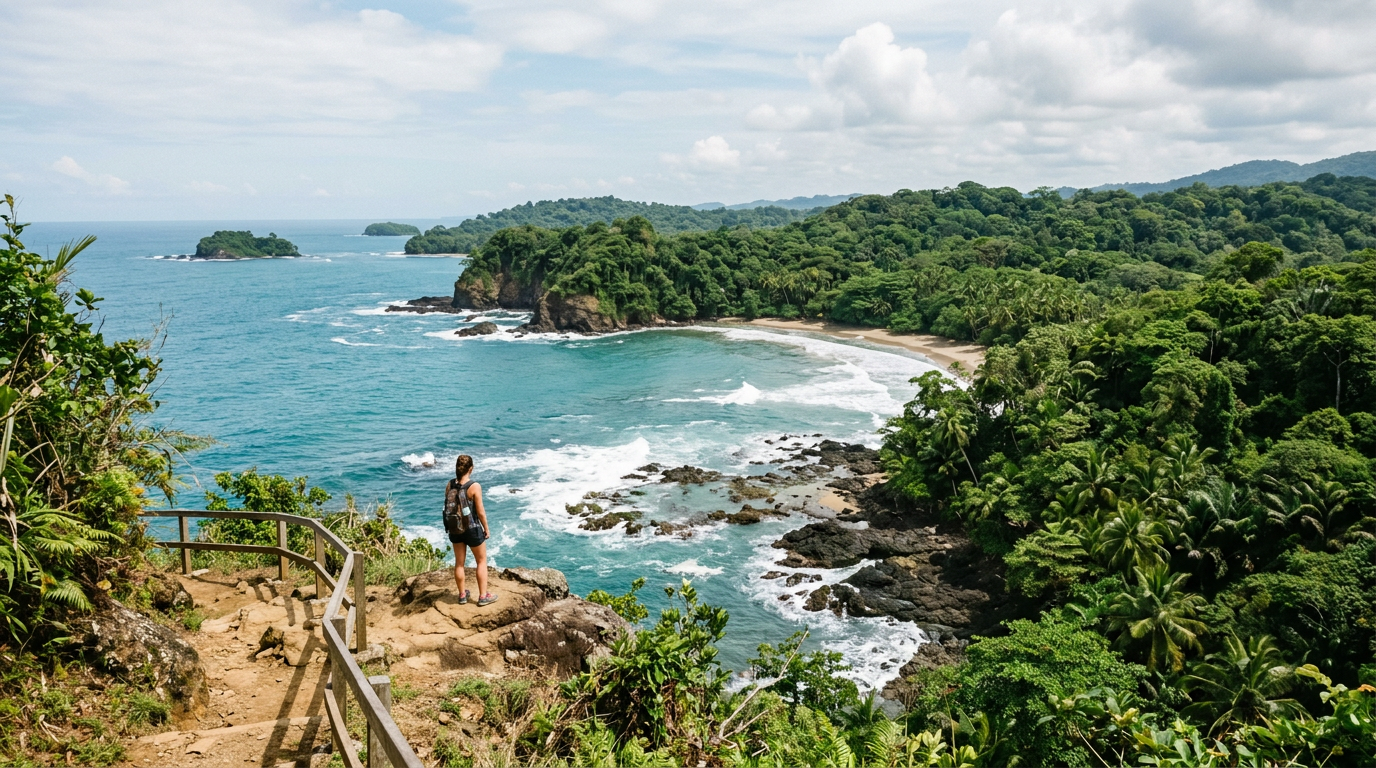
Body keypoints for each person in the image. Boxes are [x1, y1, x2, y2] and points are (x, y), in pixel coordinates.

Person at [443, 454, 498, 606]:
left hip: (455, 529)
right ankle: (483, 596)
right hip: (472, 529)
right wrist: (486, 528)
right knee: (481, 561)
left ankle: (462, 595)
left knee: (459, 563)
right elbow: (480, 512)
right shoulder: (474, 486)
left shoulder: (449, 485)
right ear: (471, 469)